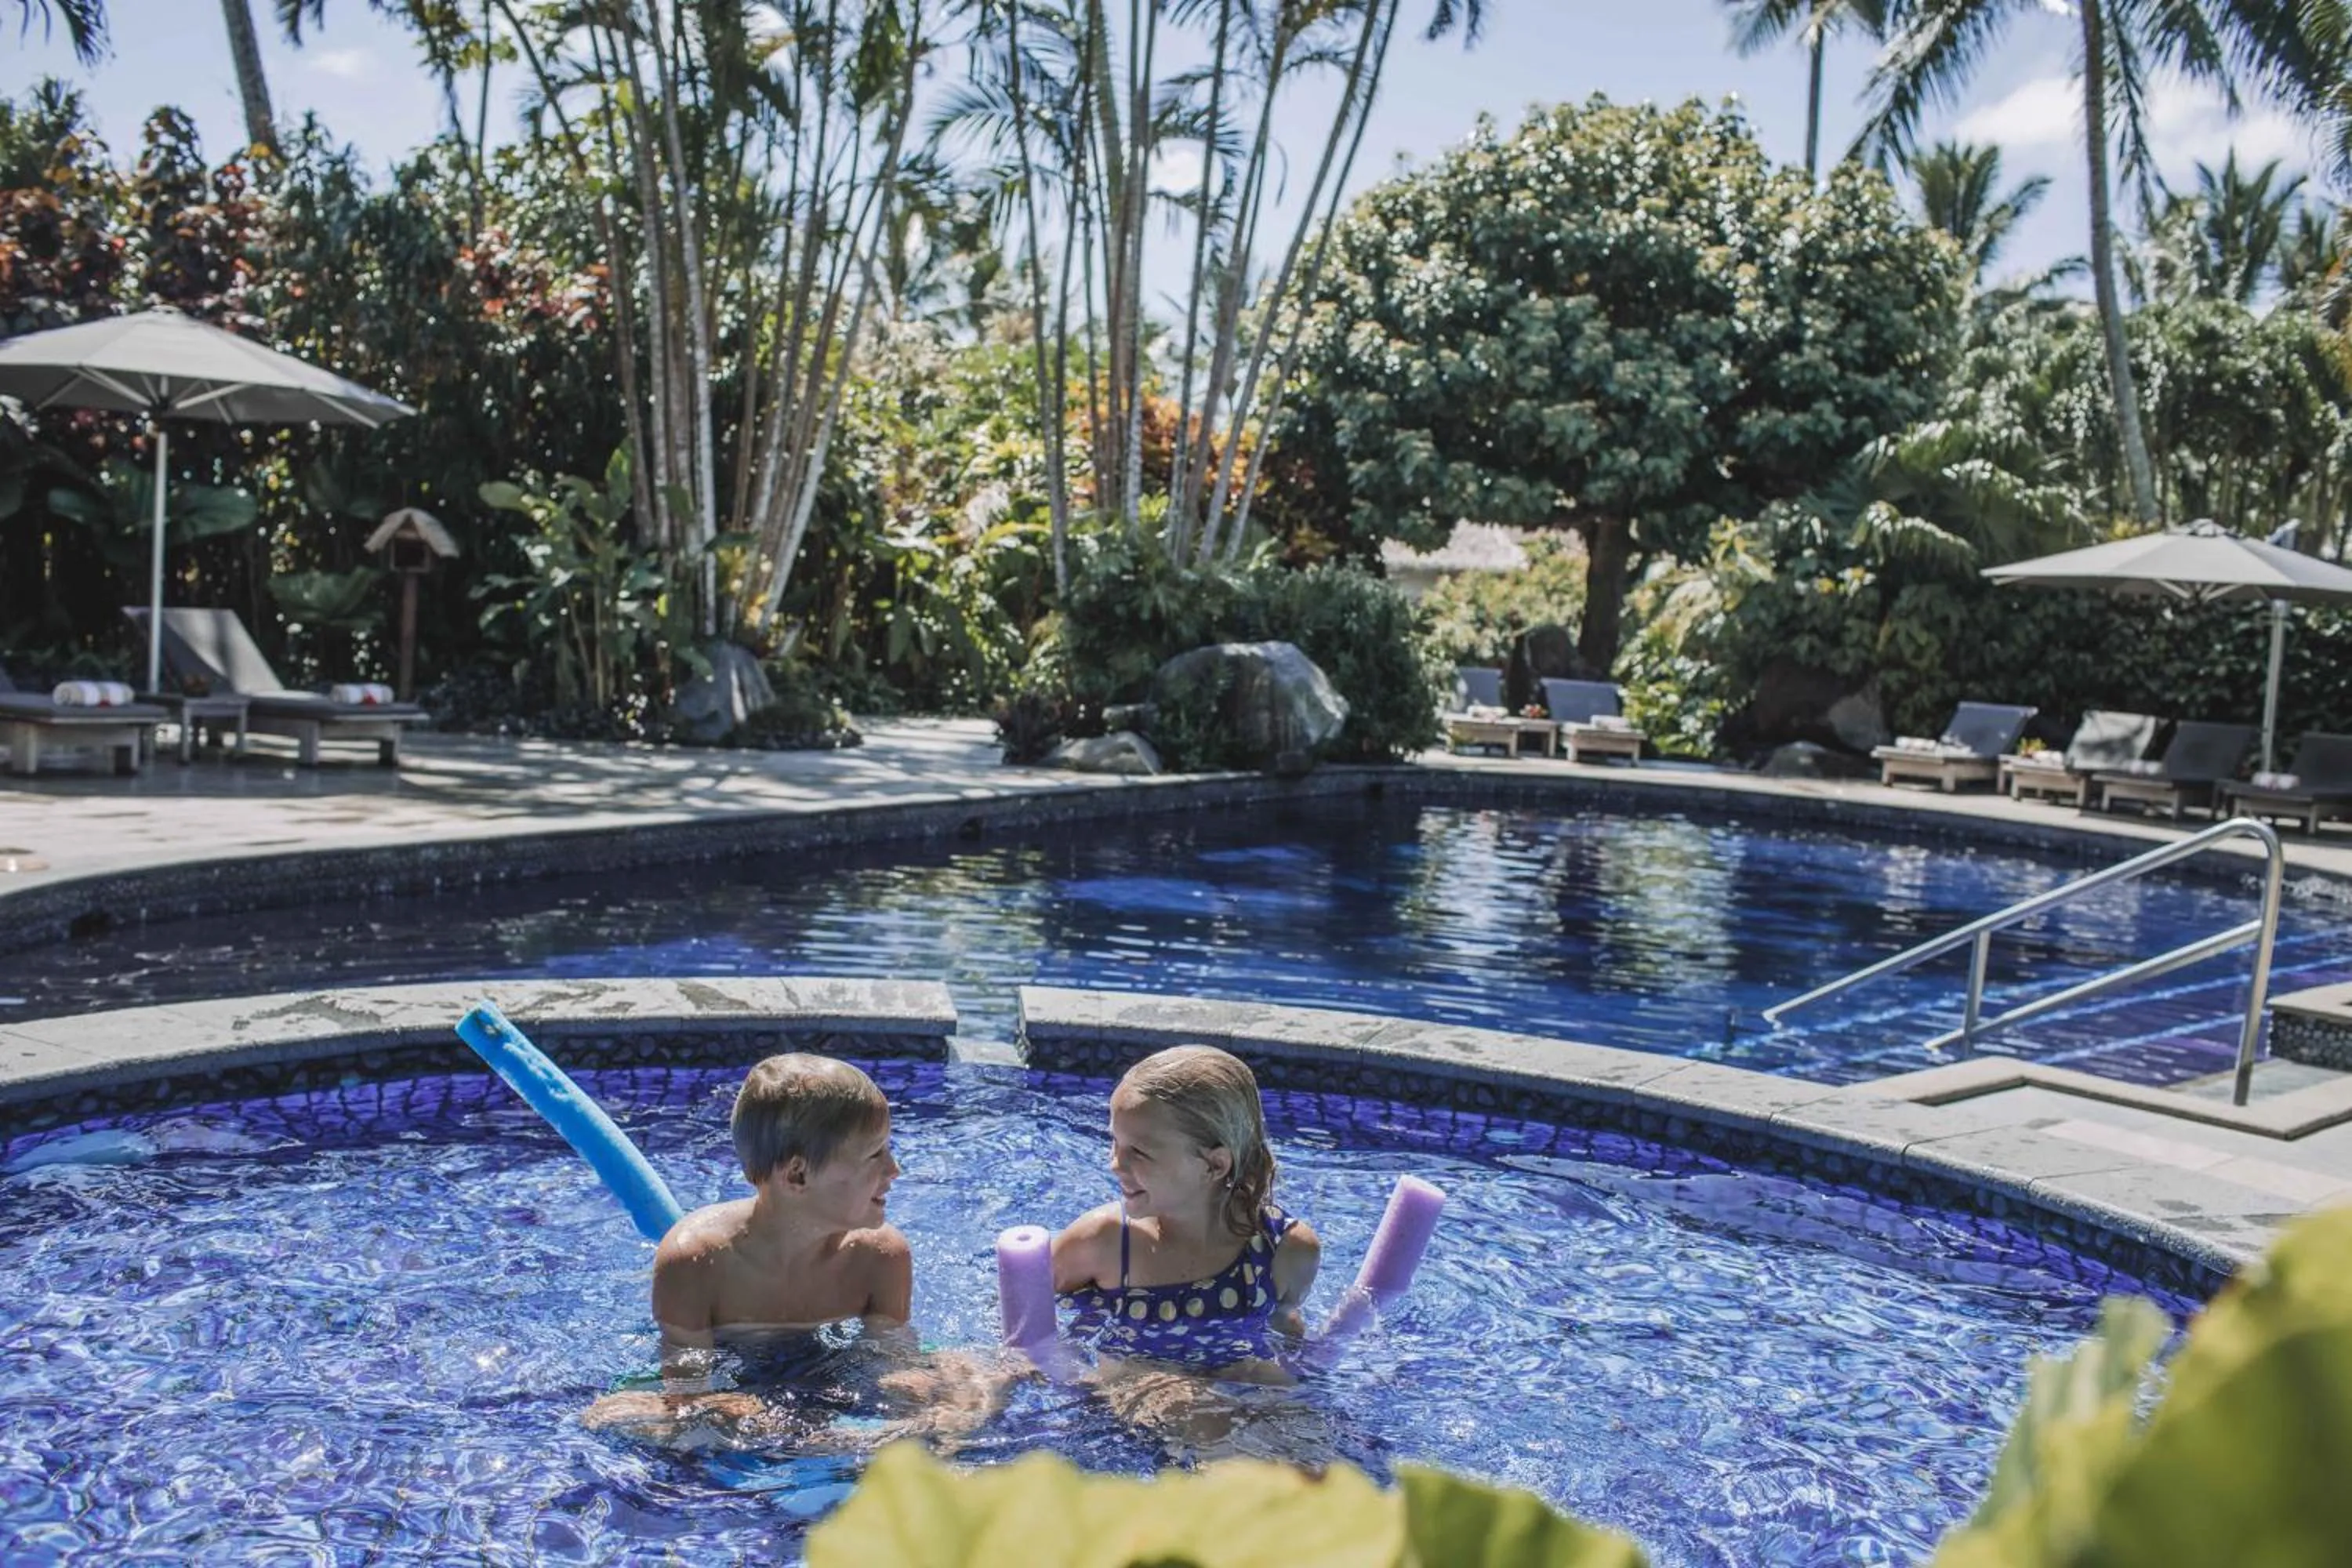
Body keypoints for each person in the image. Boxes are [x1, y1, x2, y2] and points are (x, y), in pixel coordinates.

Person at [583, 1054, 993, 1449]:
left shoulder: (881, 1256)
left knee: (966, 1380)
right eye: (875, 1154)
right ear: (797, 1174)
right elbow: (687, 1379)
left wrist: (911, 1390)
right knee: (616, 1418)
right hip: (740, 1384)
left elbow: (891, 1356)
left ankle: (834, 1448)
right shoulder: (695, 1261)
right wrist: (709, 1406)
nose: (894, 1169)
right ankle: (827, 1450)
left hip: (830, 1371)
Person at [1052, 1045, 1322, 1377]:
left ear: (1215, 1165)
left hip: (1229, 1391)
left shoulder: (1285, 1251)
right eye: (1115, 1143)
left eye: (1138, 1152)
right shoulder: (1103, 1241)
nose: (1115, 1165)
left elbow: (1284, 1328)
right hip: (1126, 1393)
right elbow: (1022, 1315)